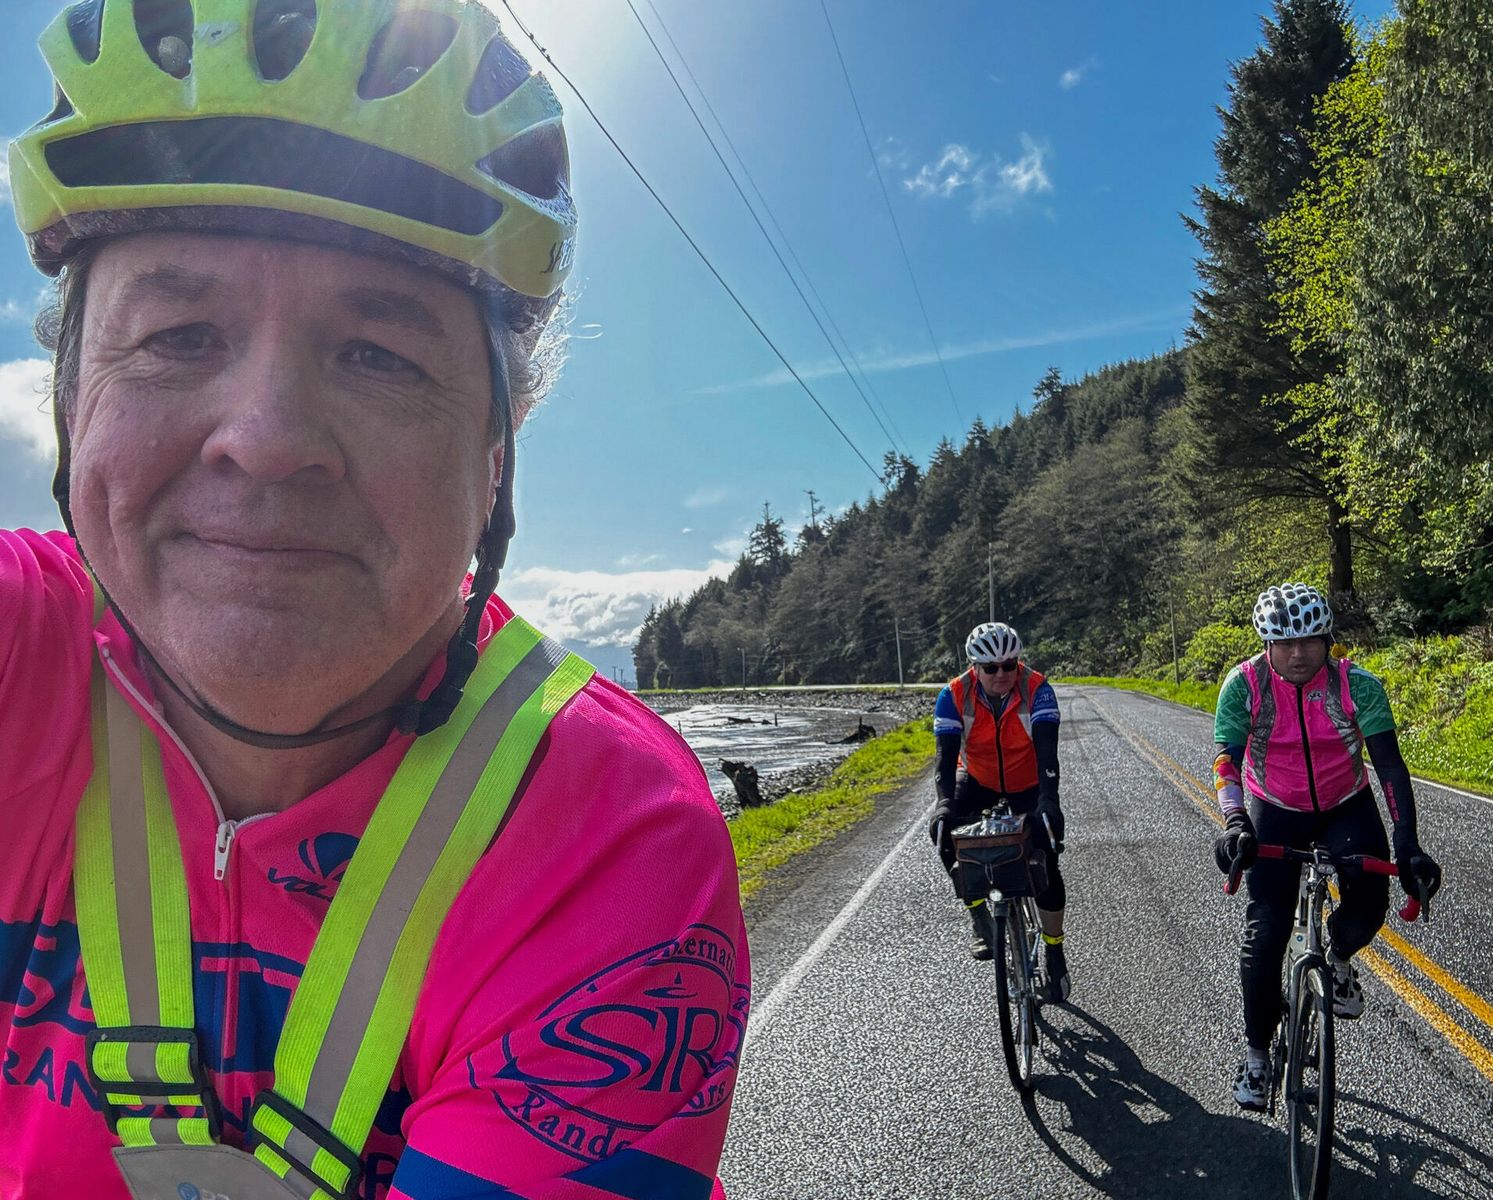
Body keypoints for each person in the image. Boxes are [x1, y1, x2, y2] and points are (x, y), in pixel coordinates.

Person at [0, 3, 747, 1197]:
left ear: (496, 454)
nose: (266, 439)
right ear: (70, 395)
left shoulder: (609, 835)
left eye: (380, 356)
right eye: (178, 335)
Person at [1212, 583, 1441, 1111]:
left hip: (1345, 803)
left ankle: (1336, 959)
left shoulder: (1357, 686)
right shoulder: (1244, 686)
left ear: (1327, 640)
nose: (1298, 654)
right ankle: (1256, 1055)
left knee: (1370, 899)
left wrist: (1407, 844)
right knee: (1264, 936)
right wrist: (1234, 821)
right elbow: (1227, 760)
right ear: (1267, 645)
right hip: (1274, 805)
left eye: (1310, 641)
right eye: (1285, 644)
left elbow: (1389, 766)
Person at [928, 622, 1069, 1001]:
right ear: (974, 667)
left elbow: (1048, 753)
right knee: (942, 830)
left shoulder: (1037, 689)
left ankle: (1054, 949)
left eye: (1009, 665)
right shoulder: (954, 695)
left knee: (1046, 858)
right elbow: (944, 760)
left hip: (1029, 782)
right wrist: (943, 804)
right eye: (991, 668)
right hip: (979, 779)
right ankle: (978, 915)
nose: (1001, 674)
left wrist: (1049, 800)